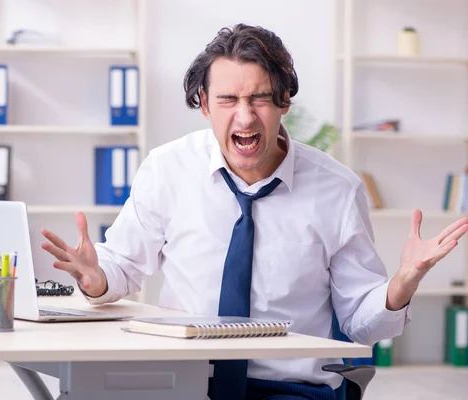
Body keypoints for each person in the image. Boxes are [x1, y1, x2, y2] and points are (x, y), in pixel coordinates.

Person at [41, 24, 468, 400]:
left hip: (291, 388)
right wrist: (97, 279)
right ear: (204, 104)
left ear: (284, 102)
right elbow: (124, 265)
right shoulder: (167, 168)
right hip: (181, 380)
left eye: (260, 99)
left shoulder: (337, 189)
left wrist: (403, 282)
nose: (245, 117)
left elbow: (362, 322)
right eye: (228, 99)